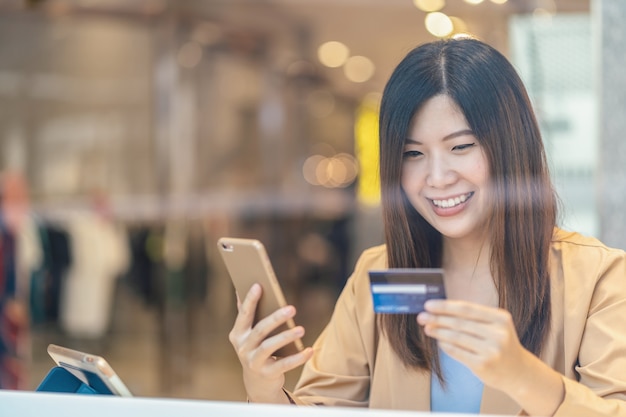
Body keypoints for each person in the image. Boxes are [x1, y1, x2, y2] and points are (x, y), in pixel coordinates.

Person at [228, 38, 626, 416]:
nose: (436, 177)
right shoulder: (382, 276)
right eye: (413, 154)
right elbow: (324, 407)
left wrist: (524, 377)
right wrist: (265, 390)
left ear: (511, 145)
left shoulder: (597, 279)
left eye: (461, 147)